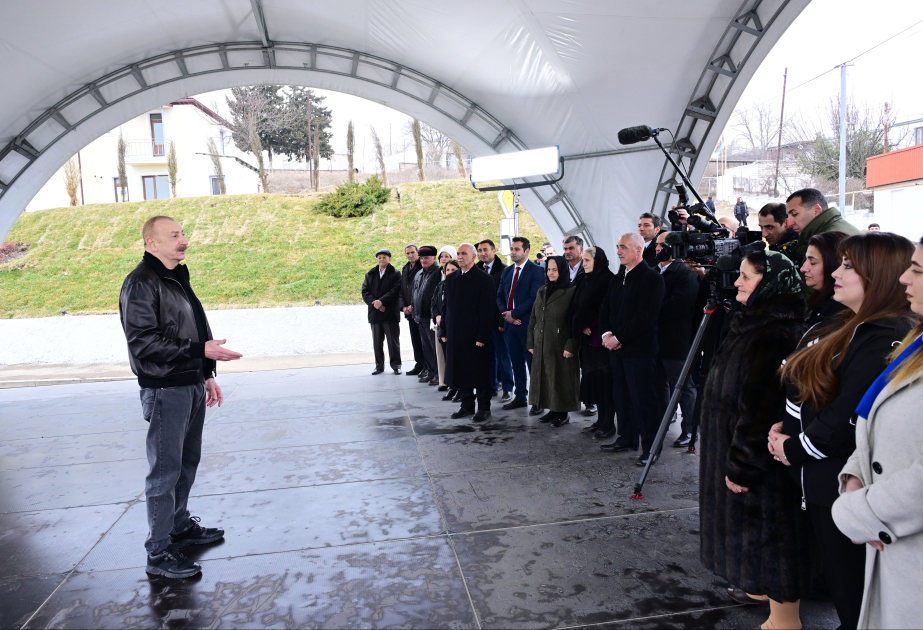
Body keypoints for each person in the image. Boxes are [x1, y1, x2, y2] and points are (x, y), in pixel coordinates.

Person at [769, 232, 918, 630]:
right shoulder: (853, 325)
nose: (836, 272)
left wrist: (796, 448)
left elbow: (850, 415)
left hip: (854, 490)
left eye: (848, 266)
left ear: (878, 276)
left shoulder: (884, 336)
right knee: (846, 593)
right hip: (833, 482)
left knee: (855, 596)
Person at [698, 248, 817, 630]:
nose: (736, 283)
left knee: (772, 538)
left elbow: (761, 410)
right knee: (754, 537)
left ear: (770, 284)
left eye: (746, 277)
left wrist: (743, 465)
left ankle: (784, 619)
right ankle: (762, 591)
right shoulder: (753, 324)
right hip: (742, 452)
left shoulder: (775, 334)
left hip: (761, 462)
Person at [119, 215, 242, 579]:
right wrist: (198, 351)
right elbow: (143, 343)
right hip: (164, 389)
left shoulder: (176, 276)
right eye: (173, 235)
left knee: (186, 465)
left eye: (183, 233)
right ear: (151, 243)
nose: (182, 239)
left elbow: (196, 329)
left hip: (187, 383)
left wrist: (205, 375)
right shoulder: (142, 282)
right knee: (164, 473)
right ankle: (158, 554)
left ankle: (178, 526)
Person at [832, 236, 923, 629]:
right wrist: (856, 472)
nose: (905, 278)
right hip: (894, 544)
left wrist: (859, 511)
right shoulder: (915, 341)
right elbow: (877, 414)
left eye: (918, 271)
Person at [598, 233, 665, 466]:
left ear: (638, 250)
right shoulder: (618, 278)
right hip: (617, 350)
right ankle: (626, 438)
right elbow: (605, 307)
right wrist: (606, 334)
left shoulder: (651, 279)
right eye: (617, 247)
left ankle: (651, 448)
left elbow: (645, 318)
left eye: (623, 247)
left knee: (643, 401)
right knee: (622, 396)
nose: (618, 251)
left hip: (640, 352)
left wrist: (619, 337)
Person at [653, 231, 699, 447]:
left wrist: (649, 312)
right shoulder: (654, 272)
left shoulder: (685, 273)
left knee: (683, 387)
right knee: (659, 387)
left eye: (661, 245)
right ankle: (660, 426)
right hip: (654, 341)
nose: (656, 249)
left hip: (676, 341)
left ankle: (689, 430)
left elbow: (679, 304)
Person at [444, 243, 496, 421]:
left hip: (475, 337)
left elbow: (488, 311)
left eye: (464, 254)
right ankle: (466, 405)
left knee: (480, 373)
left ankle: (484, 408)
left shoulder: (484, 279)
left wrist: (482, 335)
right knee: (459, 371)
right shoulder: (451, 279)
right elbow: (446, 309)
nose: (460, 257)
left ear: (473, 257)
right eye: (458, 254)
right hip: (455, 335)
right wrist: (444, 329)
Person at [527, 256, 580, 427]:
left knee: (560, 379)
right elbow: (533, 317)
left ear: (562, 270)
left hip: (560, 344)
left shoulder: (571, 291)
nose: (551, 273)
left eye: (554, 270)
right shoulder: (542, 290)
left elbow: (575, 322)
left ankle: (562, 413)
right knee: (545, 376)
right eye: (549, 269)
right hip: (542, 342)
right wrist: (531, 341)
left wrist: (571, 344)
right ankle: (552, 410)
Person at [497, 237, 545, 415]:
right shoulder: (508, 271)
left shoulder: (537, 271)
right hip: (510, 326)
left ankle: (537, 400)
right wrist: (507, 315)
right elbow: (500, 295)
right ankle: (520, 397)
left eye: (517, 249)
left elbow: (535, 298)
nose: (513, 252)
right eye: (512, 249)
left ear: (527, 251)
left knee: (533, 364)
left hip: (527, 326)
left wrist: (514, 314)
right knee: (516, 362)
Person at [477, 239, 513, 402]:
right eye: (479, 250)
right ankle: (491, 386)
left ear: (494, 250)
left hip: (498, 323)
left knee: (503, 356)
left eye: (485, 250)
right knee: (487, 357)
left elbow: (506, 298)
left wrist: (502, 321)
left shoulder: (505, 271)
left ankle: (507, 388)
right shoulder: (475, 270)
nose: (482, 253)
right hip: (481, 324)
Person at [786, 187, 860, 266]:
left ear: (816, 211)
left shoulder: (829, 240)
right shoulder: (836, 230)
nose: (789, 223)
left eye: (794, 214)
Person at [361, 249, 403, 375]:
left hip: (390, 312)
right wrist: (376, 304)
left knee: (393, 341)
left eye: (384, 257)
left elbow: (395, 291)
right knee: (377, 342)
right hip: (375, 313)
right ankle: (379, 366)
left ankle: (396, 365)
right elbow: (365, 291)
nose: (381, 259)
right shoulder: (370, 274)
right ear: (377, 260)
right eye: (379, 257)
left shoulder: (395, 273)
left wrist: (382, 302)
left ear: (389, 259)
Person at [800, 231, 850, 328]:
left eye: (813, 262)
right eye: (806, 260)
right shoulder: (821, 299)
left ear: (835, 265)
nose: (803, 268)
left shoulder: (838, 312)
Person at [412, 245, 441, 384]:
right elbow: (414, 294)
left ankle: (438, 374)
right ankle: (430, 372)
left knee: (435, 347)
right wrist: (415, 314)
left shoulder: (438, 273)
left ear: (434, 258)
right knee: (426, 348)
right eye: (421, 258)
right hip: (420, 317)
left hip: (431, 318)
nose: (423, 260)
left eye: (426, 258)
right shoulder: (419, 273)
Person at [432, 258, 460, 400]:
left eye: (453, 270)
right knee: (448, 360)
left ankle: (460, 389)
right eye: (447, 270)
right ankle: (452, 387)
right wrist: (437, 315)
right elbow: (434, 303)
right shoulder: (441, 285)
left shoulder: (461, 285)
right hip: (444, 328)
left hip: (457, 329)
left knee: (458, 361)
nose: (449, 272)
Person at [400, 244, 425, 376]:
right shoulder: (405, 269)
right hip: (409, 312)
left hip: (419, 311)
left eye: (412, 252)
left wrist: (413, 306)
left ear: (418, 253)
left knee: (424, 340)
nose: (410, 255)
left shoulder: (423, 267)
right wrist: (403, 306)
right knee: (415, 339)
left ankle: (427, 365)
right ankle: (419, 364)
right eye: (408, 253)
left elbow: (423, 291)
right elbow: (401, 290)